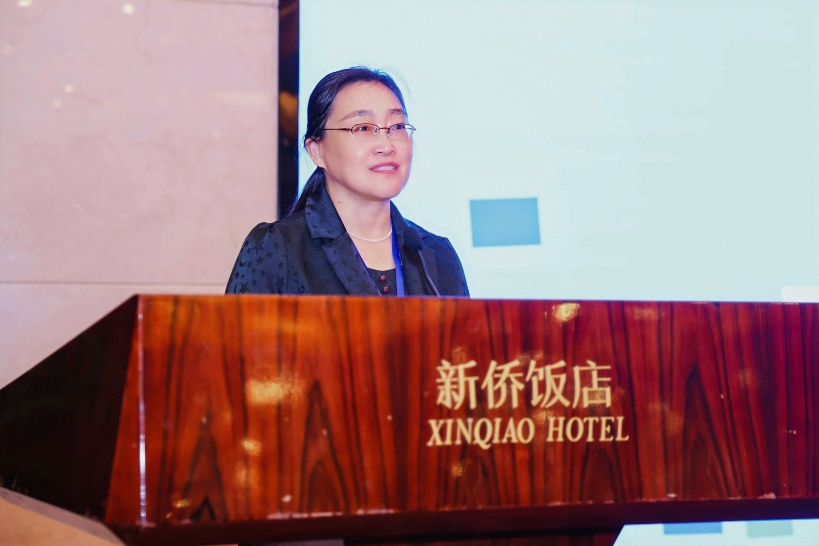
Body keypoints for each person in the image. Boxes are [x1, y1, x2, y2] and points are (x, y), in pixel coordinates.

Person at [226, 67, 469, 297]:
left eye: (396, 126)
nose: (386, 145)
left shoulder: (438, 255)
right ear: (317, 150)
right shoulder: (276, 249)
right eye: (363, 128)